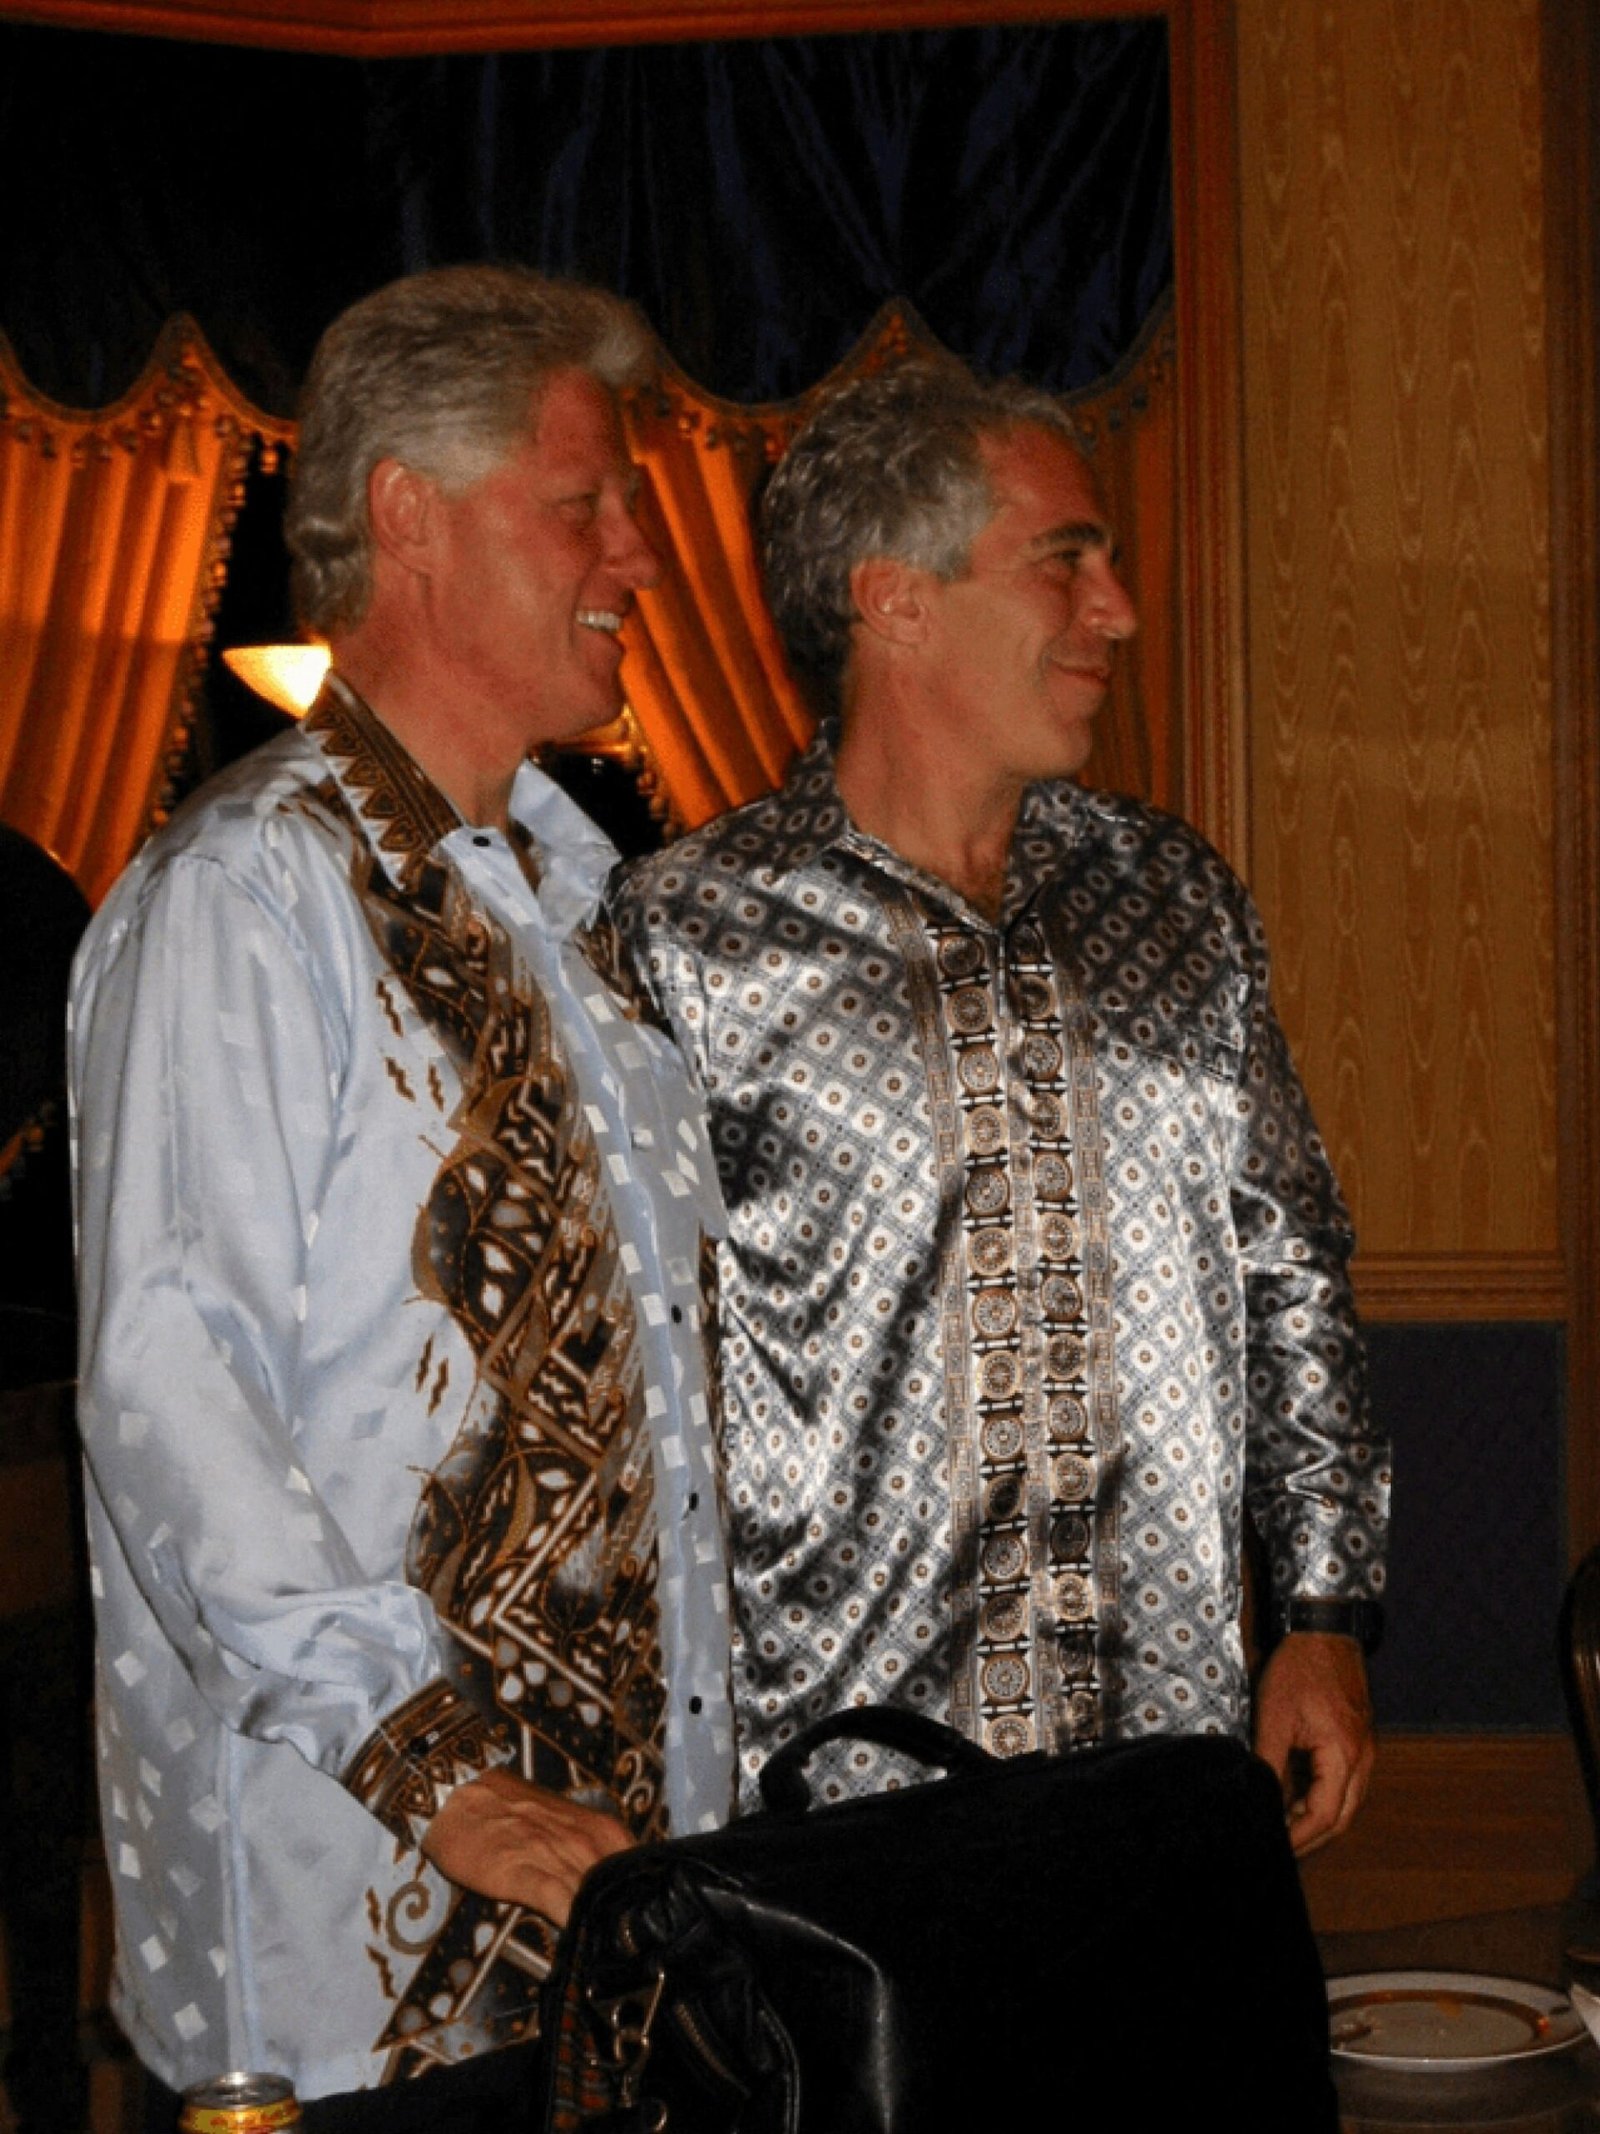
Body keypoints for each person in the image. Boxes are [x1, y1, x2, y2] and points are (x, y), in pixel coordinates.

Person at [69, 265, 733, 2132]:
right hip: (350, 1958)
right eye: (585, 503)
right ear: (411, 519)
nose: (641, 555)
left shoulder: (577, 910)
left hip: (609, 1916)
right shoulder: (244, 893)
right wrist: (441, 1774)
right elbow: (170, 1381)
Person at [617, 360, 1389, 1850]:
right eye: (1065, 560)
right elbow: (634, 1394)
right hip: (842, 1801)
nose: (1119, 610)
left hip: (1163, 1762)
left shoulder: (1174, 902)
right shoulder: (685, 938)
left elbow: (1293, 1272)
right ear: (895, 600)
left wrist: (1323, 1615)